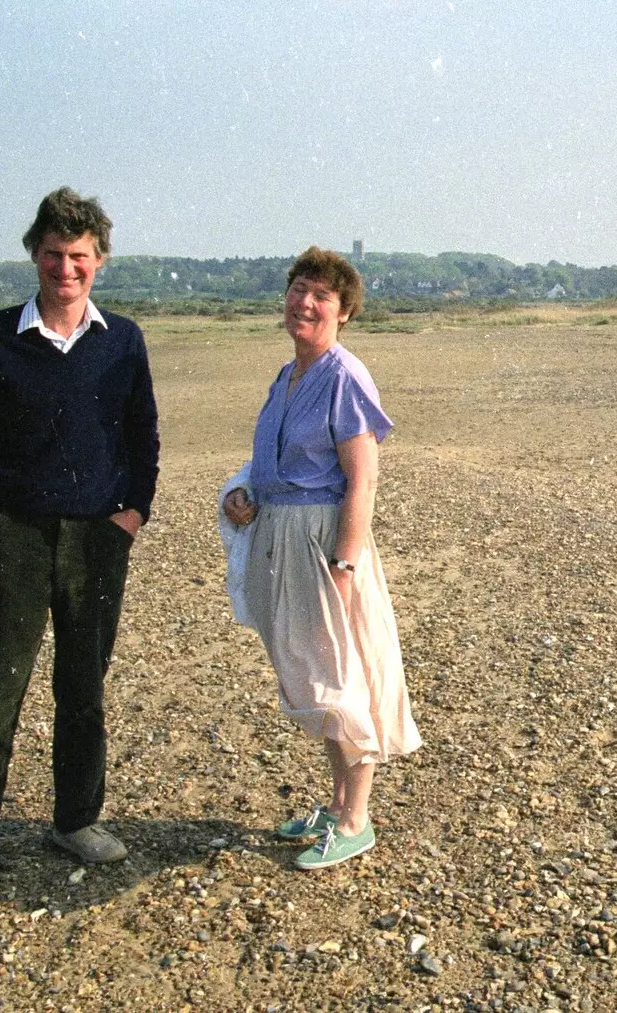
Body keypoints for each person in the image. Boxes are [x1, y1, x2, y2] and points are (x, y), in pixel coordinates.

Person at [0, 187, 159, 910]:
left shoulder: (122, 339)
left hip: (96, 540)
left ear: (100, 261)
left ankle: (76, 820)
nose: (68, 268)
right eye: (56, 255)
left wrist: (131, 515)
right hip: (11, 541)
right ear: (35, 254)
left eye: (81, 257)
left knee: (83, 693)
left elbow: (142, 435)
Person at [220, 246, 420, 870]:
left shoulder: (344, 376)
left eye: (322, 296)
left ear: (345, 311)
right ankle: (337, 806)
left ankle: (357, 819)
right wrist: (244, 494)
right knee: (311, 672)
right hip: (283, 536)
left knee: (339, 676)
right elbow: (275, 466)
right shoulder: (287, 377)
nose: (305, 303)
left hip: (323, 544)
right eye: (299, 289)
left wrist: (346, 564)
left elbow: (362, 480)